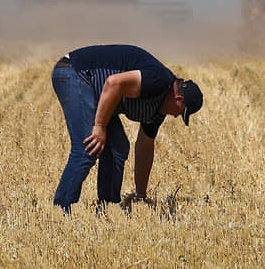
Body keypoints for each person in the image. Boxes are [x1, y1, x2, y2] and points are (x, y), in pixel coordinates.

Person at [51, 44, 203, 213]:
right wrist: (100, 126)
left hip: (98, 93)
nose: (175, 116)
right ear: (178, 98)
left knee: (118, 147)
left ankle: (108, 207)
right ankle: (60, 210)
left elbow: (144, 150)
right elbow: (113, 83)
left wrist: (140, 195)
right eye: (180, 112)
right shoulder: (158, 80)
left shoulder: (157, 112)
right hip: (74, 71)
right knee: (88, 146)